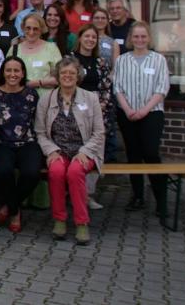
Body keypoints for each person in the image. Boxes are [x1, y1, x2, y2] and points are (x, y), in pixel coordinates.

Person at [36, 57, 105, 245]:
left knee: (75, 173)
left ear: (78, 76)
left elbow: (99, 132)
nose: (67, 76)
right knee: (56, 172)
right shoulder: (46, 99)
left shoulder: (91, 98)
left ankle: (81, 223)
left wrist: (85, 152)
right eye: (63, 73)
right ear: (58, 76)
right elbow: (40, 132)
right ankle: (59, 220)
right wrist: (51, 151)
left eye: (72, 73)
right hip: (58, 151)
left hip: (85, 151)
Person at [113, 21, 171, 216]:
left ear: (149, 38)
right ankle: (137, 196)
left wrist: (144, 110)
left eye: (143, 36)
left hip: (152, 113)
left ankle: (161, 199)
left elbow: (162, 88)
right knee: (133, 155)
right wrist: (128, 109)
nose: (139, 40)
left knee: (151, 153)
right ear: (130, 38)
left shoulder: (158, 60)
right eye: (136, 36)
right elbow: (117, 88)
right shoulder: (122, 60)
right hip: (127, 113)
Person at [0, 57, 42, 233]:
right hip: (0, 143)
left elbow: (38, 121)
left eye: (16, 70)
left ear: (23, 73)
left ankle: (9, 206)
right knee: (4, 171)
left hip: (27, 142)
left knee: (32, 173)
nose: (12, 74)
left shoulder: (31, 94)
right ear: (3, 72)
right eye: (9, 70)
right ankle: (15, 212)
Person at [72, 24, 116, 208]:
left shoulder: (101, 62)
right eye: (87, 36)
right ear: (80, 38)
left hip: (97, 113)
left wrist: (99, 108)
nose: (90, 40)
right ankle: (74, 192)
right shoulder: (70, 60)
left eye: (93, 37)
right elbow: (65, 85)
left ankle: (88, 195)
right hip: (73, 113)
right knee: (76, 154)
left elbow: (106, 88)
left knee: (94, 154)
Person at [13, 13, 61, 92]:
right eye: (28, 28)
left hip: (46, 97)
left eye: (35, 29)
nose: (31, 32)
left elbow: (60, 77)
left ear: (41, 30)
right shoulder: (14, 49)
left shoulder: (51, 48)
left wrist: (37, 83)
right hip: (20, 96)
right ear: (23, 28)